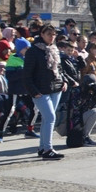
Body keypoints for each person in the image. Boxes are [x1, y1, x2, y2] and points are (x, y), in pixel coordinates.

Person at [21, 24, 68, 160]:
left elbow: (59, 68)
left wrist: (64, 81)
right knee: (50, 117)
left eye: (53, 34)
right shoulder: (33, 51)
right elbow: (27, 75)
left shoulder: (54, 49)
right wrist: (33, 91)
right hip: (41, 90)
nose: (52, 37)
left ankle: (43, 147)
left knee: (48, 119)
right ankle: (48, 148)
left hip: (55, 88)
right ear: (42, 34)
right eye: (49, 34)